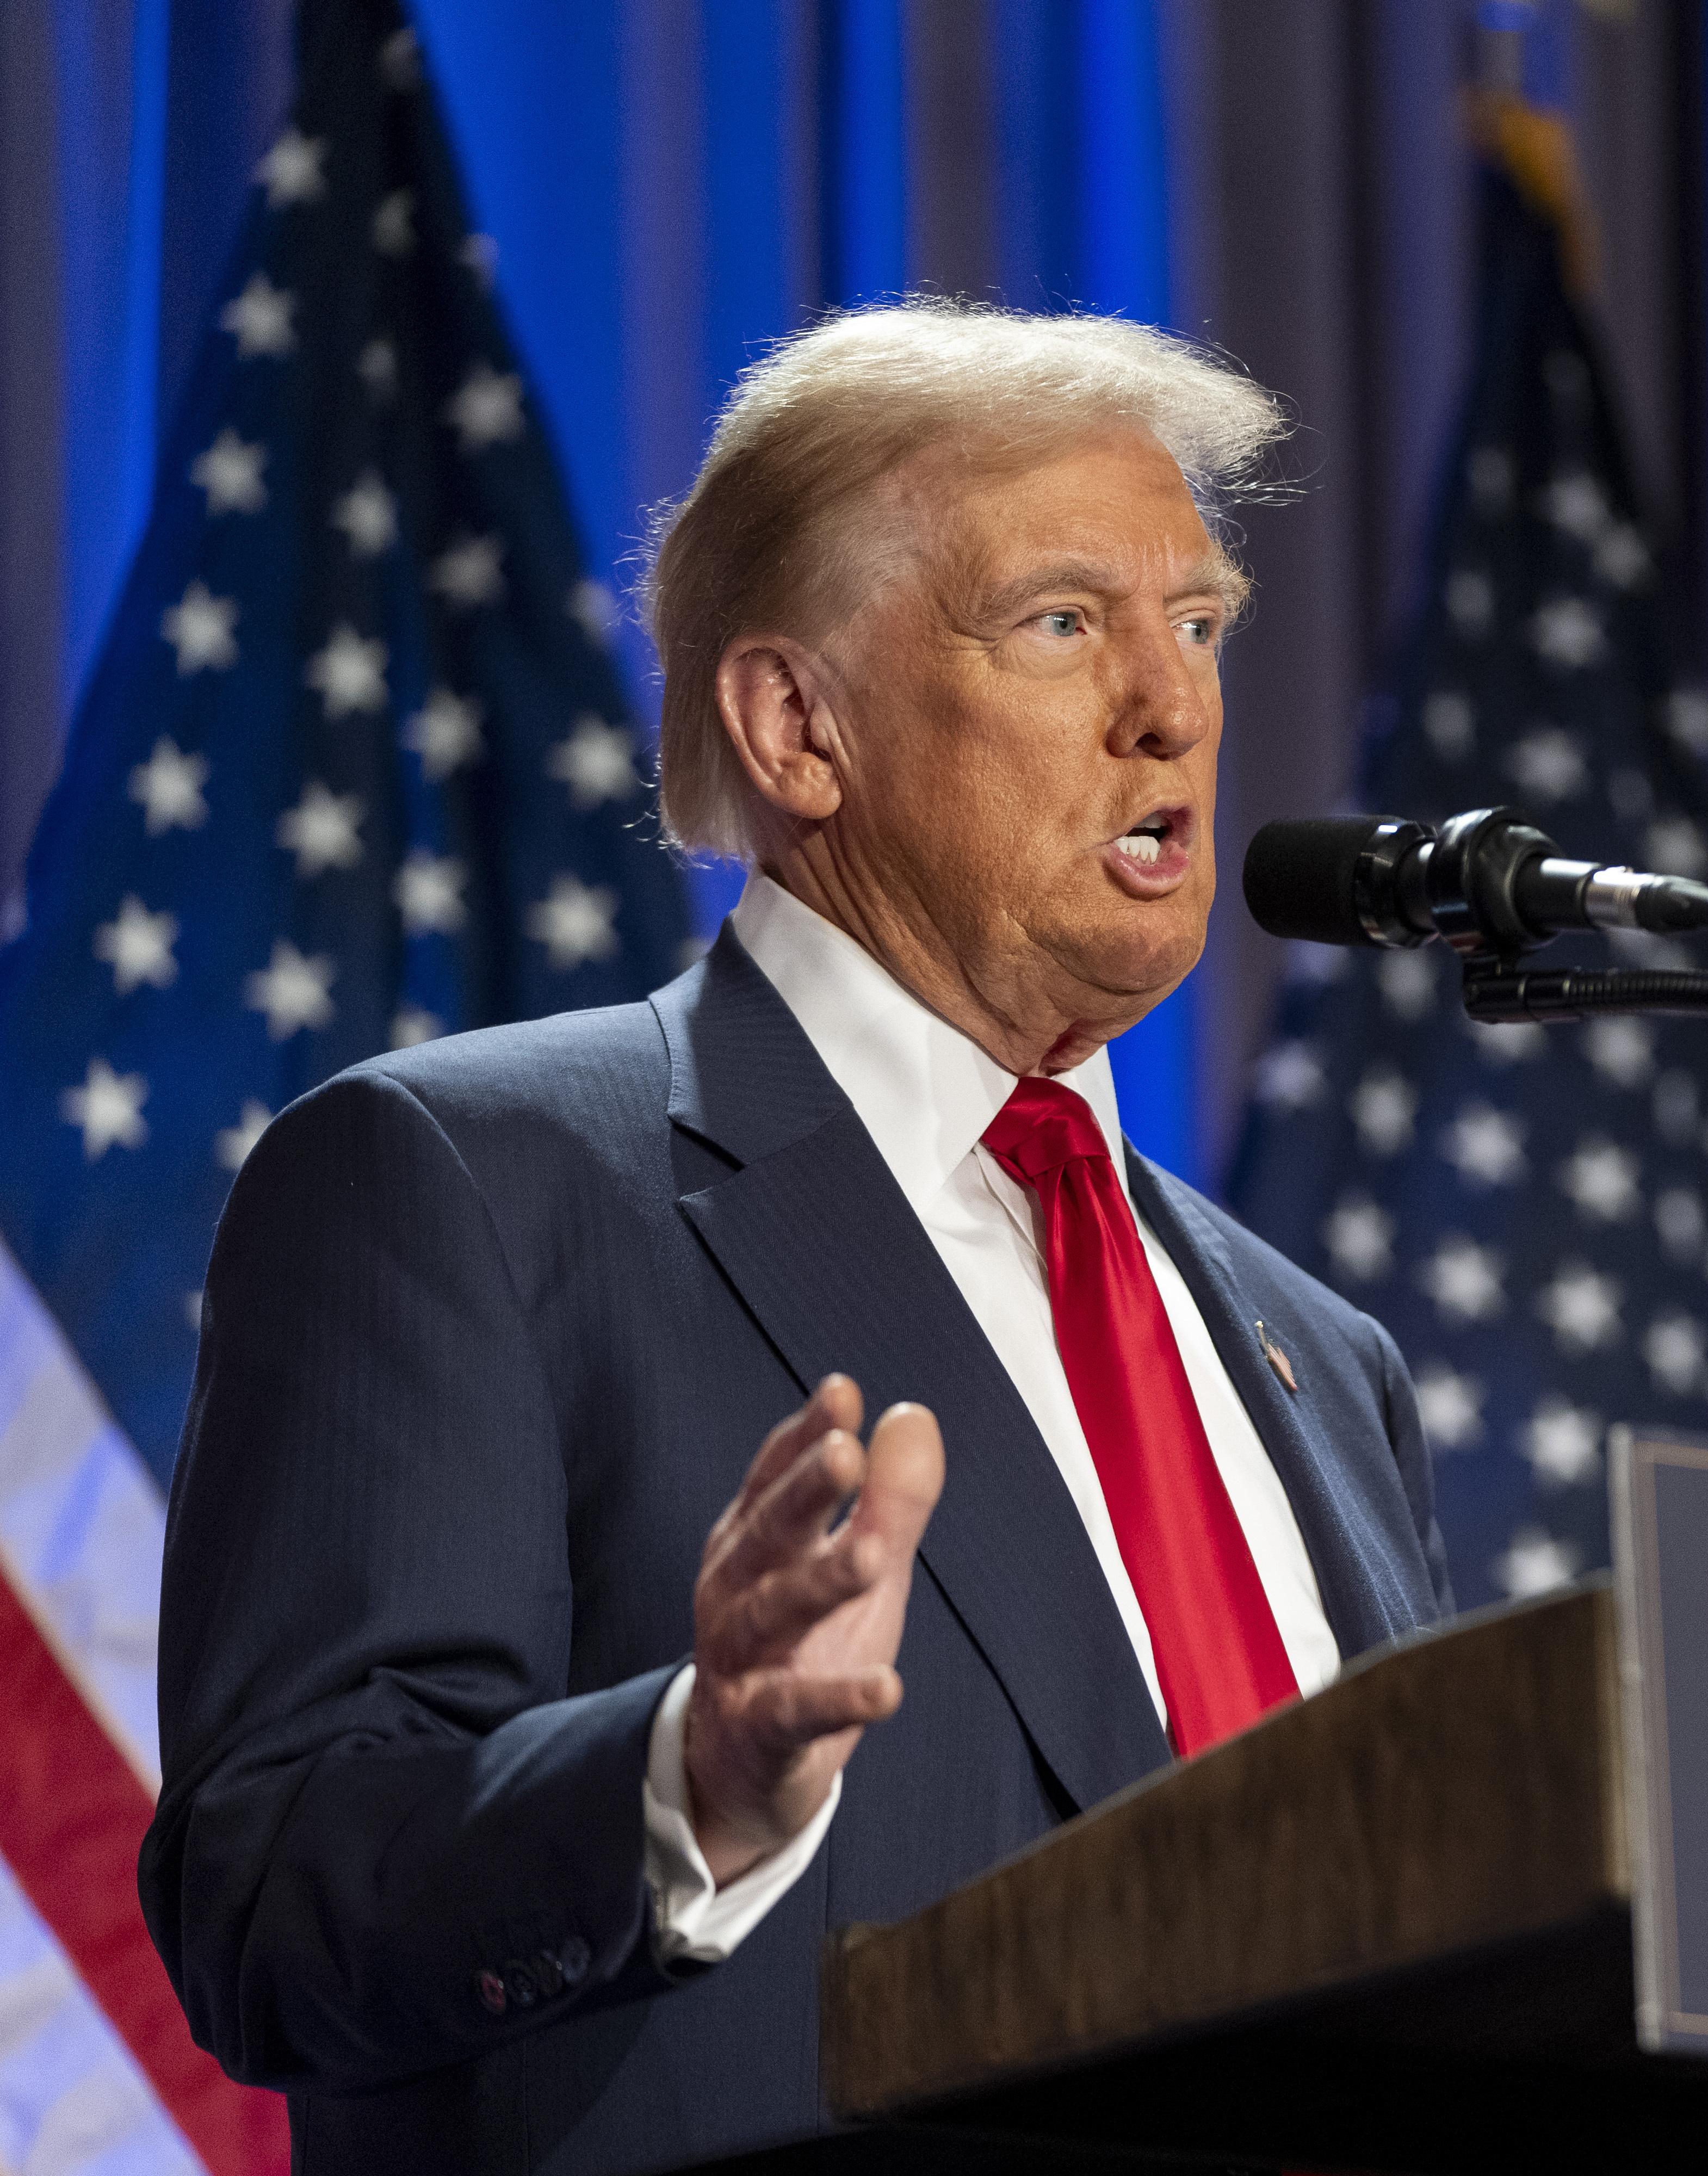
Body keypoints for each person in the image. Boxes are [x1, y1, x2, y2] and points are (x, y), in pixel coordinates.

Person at [139, 302, 1456, 2175]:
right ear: (797, 725)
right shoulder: (461, 1182)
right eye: (1066, 623)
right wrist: (690, 1774)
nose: (1172, 705)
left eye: (1202, 621)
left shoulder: (1319, 1358)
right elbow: (272, 1898)